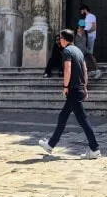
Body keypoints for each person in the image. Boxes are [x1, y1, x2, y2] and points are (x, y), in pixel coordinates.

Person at [38, 28, 101, 159]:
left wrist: (65, 86)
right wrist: (85, 87)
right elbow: (84, 69)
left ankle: (94, 148)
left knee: (82, 120)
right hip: (79, 87)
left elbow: (67, 68)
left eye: (59, 38)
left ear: (64, 39)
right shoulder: (78, 50)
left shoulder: (67, 51)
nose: (58, 41)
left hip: (72, 88)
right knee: (63, 116)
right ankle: (50, 145)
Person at [80, 4, 102, 79]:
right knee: (87, 54)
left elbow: (94, 27)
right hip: (86, 38)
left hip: (91, 37)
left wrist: (87, 32)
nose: (80, 12)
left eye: (81, 10)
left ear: (85, 9)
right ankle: (91, 70)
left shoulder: (91, 16)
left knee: (89, 54)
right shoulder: (85, 18)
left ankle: (97, 70)